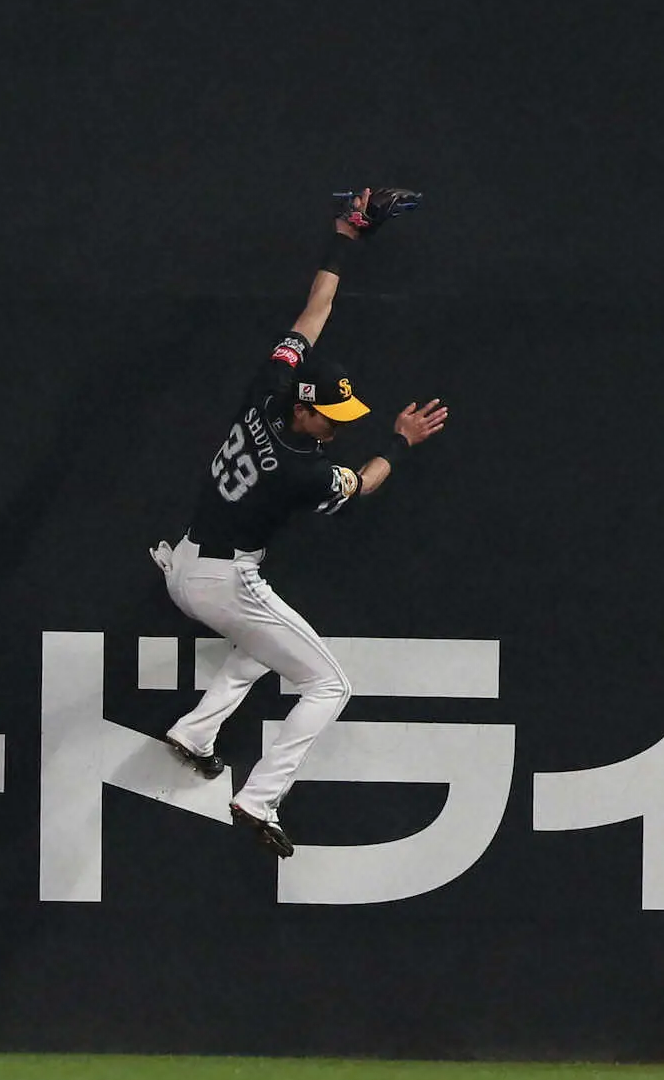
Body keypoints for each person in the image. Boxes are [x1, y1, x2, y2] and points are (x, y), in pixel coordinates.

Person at [149, 188, 447, 859]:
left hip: (188, 562)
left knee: (266, 643)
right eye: (330, 417)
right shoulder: (301, 469)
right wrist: (399, 442)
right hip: (225, 579)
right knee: (329, 683)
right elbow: (362, 483)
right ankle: (260, 797)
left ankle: (196, 732)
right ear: (305, 410)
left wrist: (346, 235)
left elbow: (316, 311)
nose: (338, 426)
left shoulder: (268, 390)